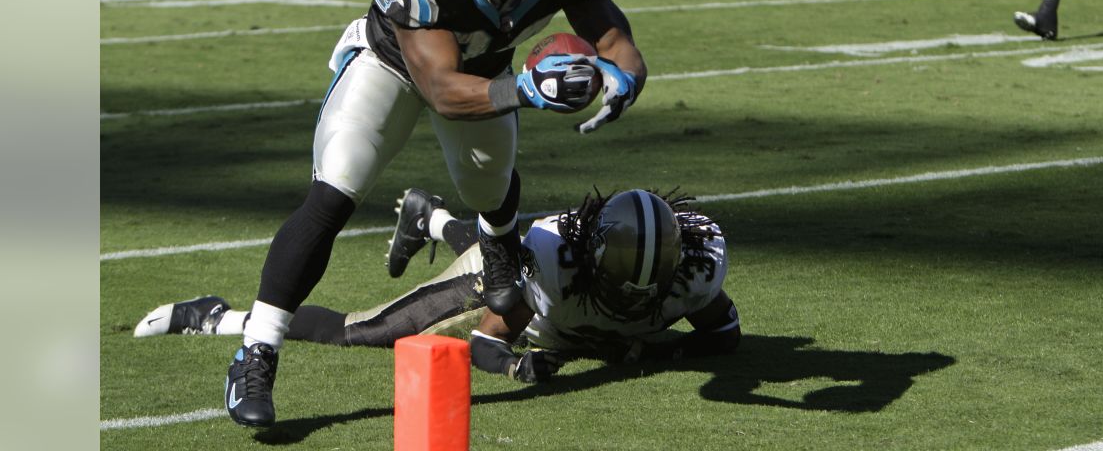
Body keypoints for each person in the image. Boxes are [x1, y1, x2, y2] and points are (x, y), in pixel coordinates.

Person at [219, 0, 647, 428]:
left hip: (488, 67)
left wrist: (625, 74)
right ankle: (257, 351)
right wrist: (524, 91)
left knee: (488, 185)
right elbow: (442, 87)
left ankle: (499, 249)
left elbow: (607, 28)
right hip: (392, 66)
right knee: (336, 187)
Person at [137, 189, 740, 382]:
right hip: (503, 278)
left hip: (552, 299)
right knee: (367, 332)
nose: (638, 299)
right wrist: (519, 369)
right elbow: (485, 344)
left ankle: (429, 216)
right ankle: (215, 315)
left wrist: (669, 350)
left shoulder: (694, 272)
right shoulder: (548, 265)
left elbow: (725, 334)